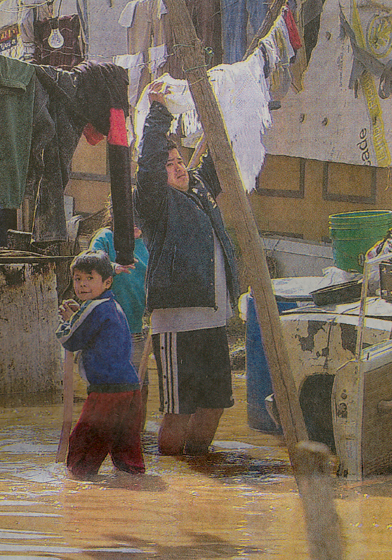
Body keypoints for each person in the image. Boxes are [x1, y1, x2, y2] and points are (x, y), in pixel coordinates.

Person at [134, 82, 240, 456]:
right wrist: (159, 112)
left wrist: (220, 113)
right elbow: (148, 165)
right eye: (170, 164)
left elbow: (218, 160)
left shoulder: (198, 191)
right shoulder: (155, 204)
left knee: (214, 405)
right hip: (177, 322)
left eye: (180, 161)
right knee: (178, 411)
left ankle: (198, 473)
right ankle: (171, 479)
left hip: (212, 317)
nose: (178, 168)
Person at [56, 250, 145, 478]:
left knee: (84, 448)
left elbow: (70, 339)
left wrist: (68, 322)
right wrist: (78, 317)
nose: (82, 285)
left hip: (107, 392)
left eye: (89, 278)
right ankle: (132, 491)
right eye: (78, 279)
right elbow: (89, 328)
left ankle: (76, 491)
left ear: (107, 282)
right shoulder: (111, 305)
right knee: (127, 454)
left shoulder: (94, 308)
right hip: (131, 389)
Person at [89, 203, 150, 428]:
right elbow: (90, 264)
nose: (134, 223)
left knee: (140, 388)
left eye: (139, 218)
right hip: (108, 330)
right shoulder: (105, 237)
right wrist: (113, 267)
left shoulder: (146, 245)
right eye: (128, 218)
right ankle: (106, 436)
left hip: (135, 330)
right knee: (109, 390)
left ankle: (136, 437)